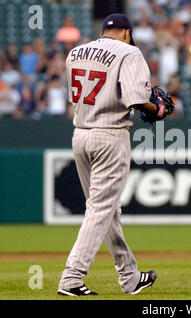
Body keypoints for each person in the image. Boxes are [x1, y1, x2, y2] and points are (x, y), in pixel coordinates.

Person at [58, 13, 173, 296]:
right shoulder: (129, 51)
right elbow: (135, 99)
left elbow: (76, 96)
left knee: (106, 210)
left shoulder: (75, 52)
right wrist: (157, 109)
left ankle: (130, 277)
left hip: (81, 134)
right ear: (126, 33)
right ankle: (71, 278)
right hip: (110, 135)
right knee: (100, 209)